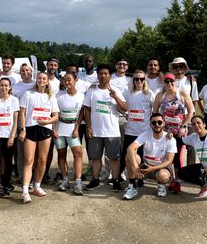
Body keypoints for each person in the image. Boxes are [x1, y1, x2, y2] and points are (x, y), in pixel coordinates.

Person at [83, 64, 128, 192]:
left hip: (112, 131)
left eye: (105, 74)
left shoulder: (115, 90)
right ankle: (95, 180)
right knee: (96, 158)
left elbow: (125, 107)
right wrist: (88, 127)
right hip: (95, 131)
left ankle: (115, 180)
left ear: (110, 75)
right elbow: (87, 109)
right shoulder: (92, 90)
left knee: (114, 158)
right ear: (97, 75)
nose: (103, 76)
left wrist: (115, 97)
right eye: (101, 73)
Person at [19, 72, 59, 203]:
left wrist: (46, 122)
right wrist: (23, 129)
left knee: (42, 160)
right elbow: (22, 113)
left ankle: (37, 186)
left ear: (47, 81)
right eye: (39, 78)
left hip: (45, 130)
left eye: (44, 78)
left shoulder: (51, 97)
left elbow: (55, 117)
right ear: (36, 80)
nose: (41, 80)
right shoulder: (28, 94)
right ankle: (25, 191)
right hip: (30, 129)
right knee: (29, 160)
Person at [153, 73, 194, 193]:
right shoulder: (160, 95)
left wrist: (184, 125)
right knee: (164, 155)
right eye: (167, 82)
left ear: (175, 82)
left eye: (172, 81)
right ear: (164, 83)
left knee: (177, 157)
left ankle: (177, 182)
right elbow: (155, 112)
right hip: (165, 130)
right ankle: (165, 179)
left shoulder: (182, 93)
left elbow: (191, 111)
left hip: (179, 131)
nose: (170, 84)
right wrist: (158, 126)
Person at [123, 113, 177, 199]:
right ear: (150, 124)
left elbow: (169, 161)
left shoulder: (171, 139)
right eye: (154, 123)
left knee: (163, 176)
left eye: (159, 122)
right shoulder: (145, 134)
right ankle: (132, 186)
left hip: (159, 168)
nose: (157, 125)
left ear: (164, 123)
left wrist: (152, 169)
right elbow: (130, 148)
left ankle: (161, 185)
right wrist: (136, 167)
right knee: (129, 156)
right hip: (145, 166)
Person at [120, 70, 155, 185]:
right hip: (130, 131)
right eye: (136, 79)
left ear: (145, 80)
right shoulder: (127, 93)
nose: (139, 81)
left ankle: (140, 178)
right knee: (127, 155)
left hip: (144, 131)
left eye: (141, 79)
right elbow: (118, 104)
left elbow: (155, 110)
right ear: (133, 80)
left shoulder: (149, 93)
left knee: (141, 157)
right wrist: (125, 114)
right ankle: (122, 176)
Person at [54, 72, 84, 195]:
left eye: (69, 80)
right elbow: (53, 112)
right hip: (60, 128)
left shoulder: (81, 96)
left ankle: (78, 182)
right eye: (64, 80)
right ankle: (65, 180)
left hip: (73, 128)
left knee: (78, 153)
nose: (67, 82)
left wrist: (77, 128)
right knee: (61, 154)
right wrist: (53, 129)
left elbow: (82, 113)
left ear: (75, 80)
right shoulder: (58, 96)